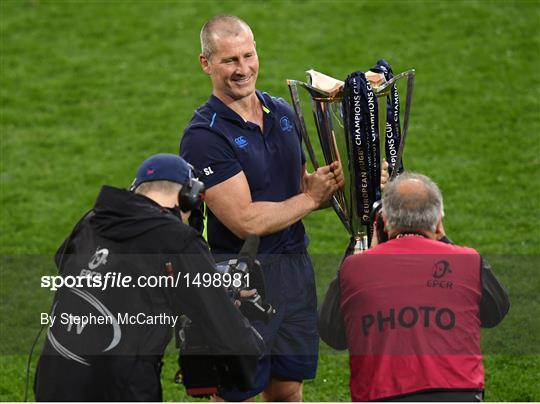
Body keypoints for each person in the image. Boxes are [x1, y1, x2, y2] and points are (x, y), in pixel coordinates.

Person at [179, 14, 349, 401]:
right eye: (230, 60)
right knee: (236, 392)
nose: (243, 70)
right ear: (205, 63)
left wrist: (353, 182)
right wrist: (309, 198)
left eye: (249, 56)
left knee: (288, 387)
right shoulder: (205, 136)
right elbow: (244, 220)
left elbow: (299, 190)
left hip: (293, 269)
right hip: (238, 280)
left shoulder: (282, 114)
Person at [34, 153, 263, 401]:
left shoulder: (90, 221)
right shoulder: (179, 240)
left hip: (54, 379)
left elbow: (64, 261)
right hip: (123, 387)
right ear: (189, 197)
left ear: (136, 189)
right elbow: (224, 323)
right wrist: (252, 348)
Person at [319, 172, 510, 402]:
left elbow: (332, 334)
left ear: (385, 221)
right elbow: (496, 311)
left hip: (382, 396)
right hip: (458, 394)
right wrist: (445, 241)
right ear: (438, 221)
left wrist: (362, 247)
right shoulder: (468, 261)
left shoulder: (353, 269)